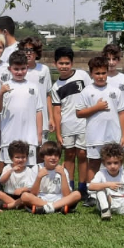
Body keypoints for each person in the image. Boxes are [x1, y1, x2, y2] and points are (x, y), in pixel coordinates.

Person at [76, 56, 124, 207]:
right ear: (91, 74)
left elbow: (122, 113)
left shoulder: (115, 91)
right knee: (94, 164)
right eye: (97, 73)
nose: (101, 76)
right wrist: (96, 108)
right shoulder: (87, 91)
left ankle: (116, 191)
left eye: (103, 73)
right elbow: (79, 113)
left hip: (113, 135)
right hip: (95, 135)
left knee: (115, 164)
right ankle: (92, 194)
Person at [50, 47, 92, 198]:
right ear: (55, 64)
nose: (64, 66)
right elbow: (56, 111)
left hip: (84, 123)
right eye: (61, 63)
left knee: (82, 154)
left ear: (72, 63)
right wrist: (58, 133)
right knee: (69, 154)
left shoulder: (82, 76)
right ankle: (69, 185)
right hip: (67, 125)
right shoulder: (56, 87)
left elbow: (91, 95)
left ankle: (83, 186)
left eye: (67, 63)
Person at [0, 51, 43, 169]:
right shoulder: (5, 87)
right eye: (16, 69)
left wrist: (39, 134)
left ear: (27, 67)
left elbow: (39, 111)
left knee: (29, 167)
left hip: (29, 136)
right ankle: (6, 186)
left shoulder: (33, 87)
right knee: (10, 166)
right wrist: (0, 93)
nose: (20, 72)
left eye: (23, 69)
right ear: (10, 69)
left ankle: (28, 188)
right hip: (10, 135)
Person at [21, 141, 81, 215]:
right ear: (43, 156)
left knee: (77, 194)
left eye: (56, 155)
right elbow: (33, 194)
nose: (53, 158)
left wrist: (63, 175)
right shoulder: (36, 168)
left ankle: (45, 208)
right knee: (25, 196)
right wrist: (39, 177)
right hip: (41, 198)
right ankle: (56, 207)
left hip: (59, 199)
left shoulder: (63, 170)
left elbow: (66, 195)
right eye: (49, 155)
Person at [20, 37, 54, 140]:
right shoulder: (17, 71)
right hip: (23, 119)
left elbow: (47, 94)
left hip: (41, 119)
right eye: (26, 50)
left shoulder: (44, 70)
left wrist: (51, 118)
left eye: (32, 50)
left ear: (37, 53)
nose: (29, 53)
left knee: (41, 152)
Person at [102, 44, 124, 142]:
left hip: (120, 122)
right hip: (103, 122)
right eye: (108, 59)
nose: (111, 62)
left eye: (114, 59)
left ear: (119, 60)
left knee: (119, 153)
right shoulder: (97, 78)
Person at [0, 141, 37, 210]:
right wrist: (11, 171)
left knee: (28, 196)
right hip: (9, 194)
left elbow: (32, 187)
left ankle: (10, 205)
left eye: (23, 157)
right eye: (17, 157)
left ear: (27, 157)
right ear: (11, 158)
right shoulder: (7, 168)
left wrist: (22, 189)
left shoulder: (29, 170)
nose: (20, 160)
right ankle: (18, 205)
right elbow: (2, 181)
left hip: (22, 196)